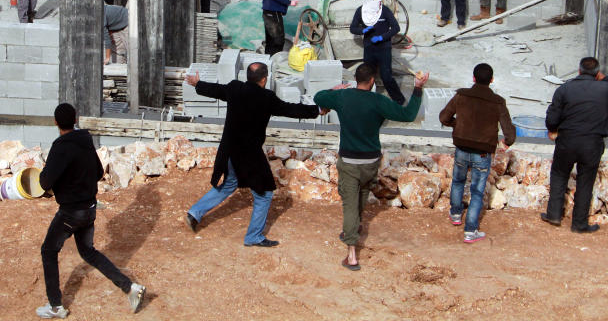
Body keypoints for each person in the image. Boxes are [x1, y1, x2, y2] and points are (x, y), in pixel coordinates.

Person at [184, 62, 319, 247]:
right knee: (264, 195)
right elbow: (291, 109)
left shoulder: (234, 88)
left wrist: (197, 83)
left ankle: (195, 212)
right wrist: (317, 110)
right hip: (249, 154)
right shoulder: (267, 97)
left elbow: (216, 90)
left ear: (248, 76)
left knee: (229, 184)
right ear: (264, 79)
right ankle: (253, 237)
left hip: (230, 150)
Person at [314, 64, 429, 270]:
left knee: (349, 203)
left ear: (355, 79)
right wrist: (418, 88)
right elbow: (408, 115)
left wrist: (335, 89)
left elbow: (318, 97)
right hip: (371, 160)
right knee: (362, 194)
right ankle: (355, 226)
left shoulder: (343, 97)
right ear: (372, 81)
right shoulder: (379, 101)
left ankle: (351, 254)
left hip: (349, 160)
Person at [37, 103, 145, 318]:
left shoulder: (60, 146)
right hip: (90, 208)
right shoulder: (85, 140)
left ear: (55, 122)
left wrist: (59, 184)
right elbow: (97, 172)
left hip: (71, 213)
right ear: (75, 119)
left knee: (49, 251)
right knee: (88, 252)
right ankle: (130, 287)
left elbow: (44, 181)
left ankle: (56, 306)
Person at [541, 57, 608, 233]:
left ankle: (553, 214)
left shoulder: (565, 88)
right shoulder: (606, 90)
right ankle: (579, 224)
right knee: (585, 181)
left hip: (567, 139)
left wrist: (552, 129)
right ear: (597, 73)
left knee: (559, 174)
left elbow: (552, 117)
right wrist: (604, 78)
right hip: (592, 142)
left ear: (579, 70)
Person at [439, 63, 516, 244]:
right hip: (482, 152)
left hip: (462, 148)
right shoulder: (498, 102)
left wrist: (456, 125)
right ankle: (470, 230)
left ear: (473, 78)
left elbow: (444, 117)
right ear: (491, 80)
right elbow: (510, 133)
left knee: (458, 181)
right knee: (477, 191)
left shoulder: (461, 95)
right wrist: (506, 143)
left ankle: (456, 213)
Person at [349, 0, 405, 105]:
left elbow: (396, 28)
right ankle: (366, 100)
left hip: (384, 48)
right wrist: (362, 31)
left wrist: (382, 37)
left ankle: (399, 101)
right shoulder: (361, 11)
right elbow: (352, 28)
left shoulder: (384, 10)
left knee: (386, 77)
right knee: (367, 76)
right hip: (369, 49)